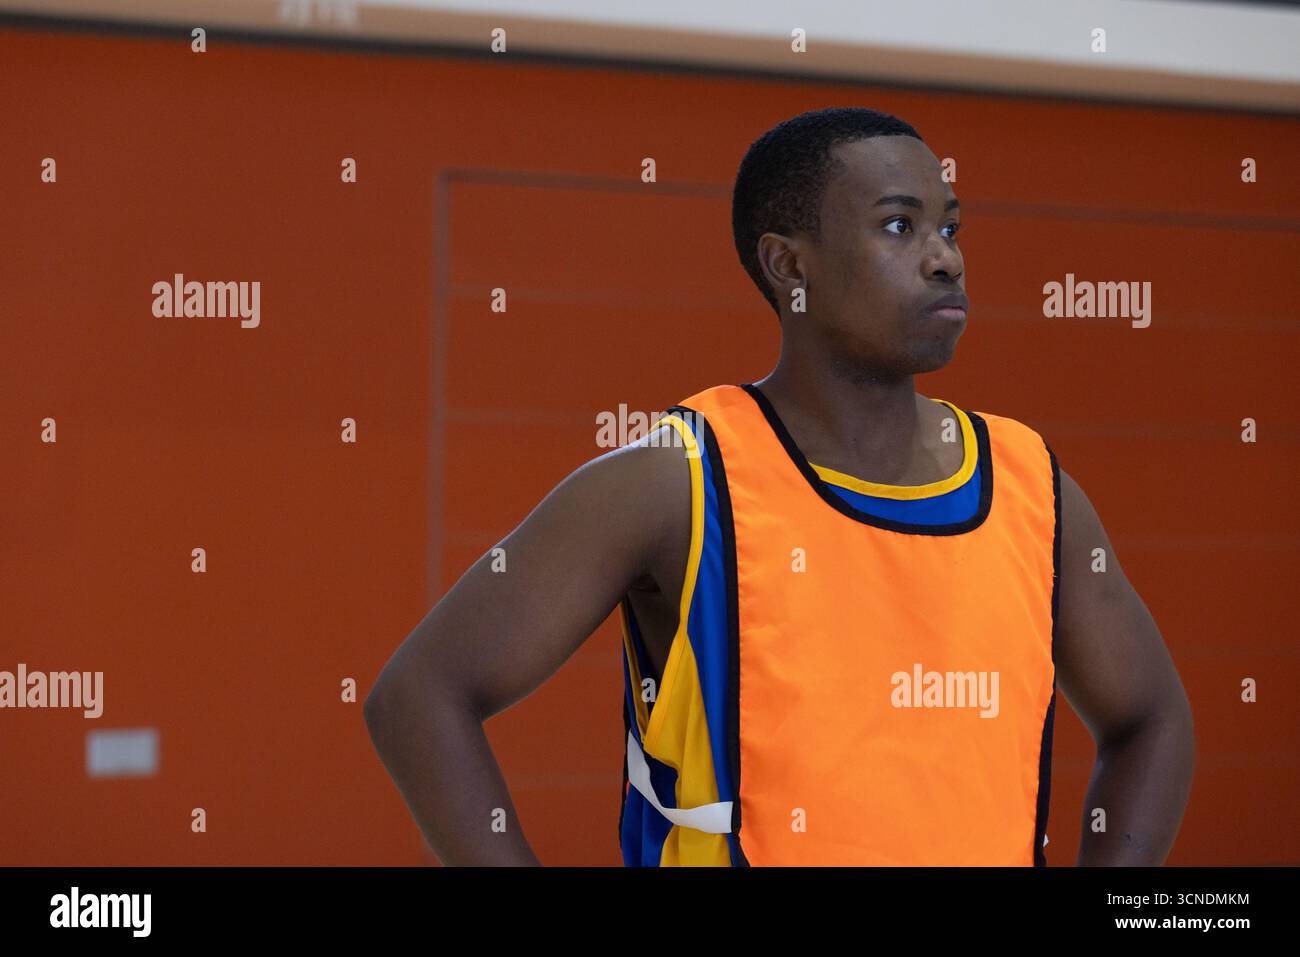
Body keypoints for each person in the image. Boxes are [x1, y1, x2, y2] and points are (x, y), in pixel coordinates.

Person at [364, 106, 1195, 867]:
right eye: (900, 226)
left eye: (949, 227)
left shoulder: (1032, 485)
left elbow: (1151, 720)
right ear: (789, 263)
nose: (945, 257)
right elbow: (419, 696)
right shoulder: (677, 480)